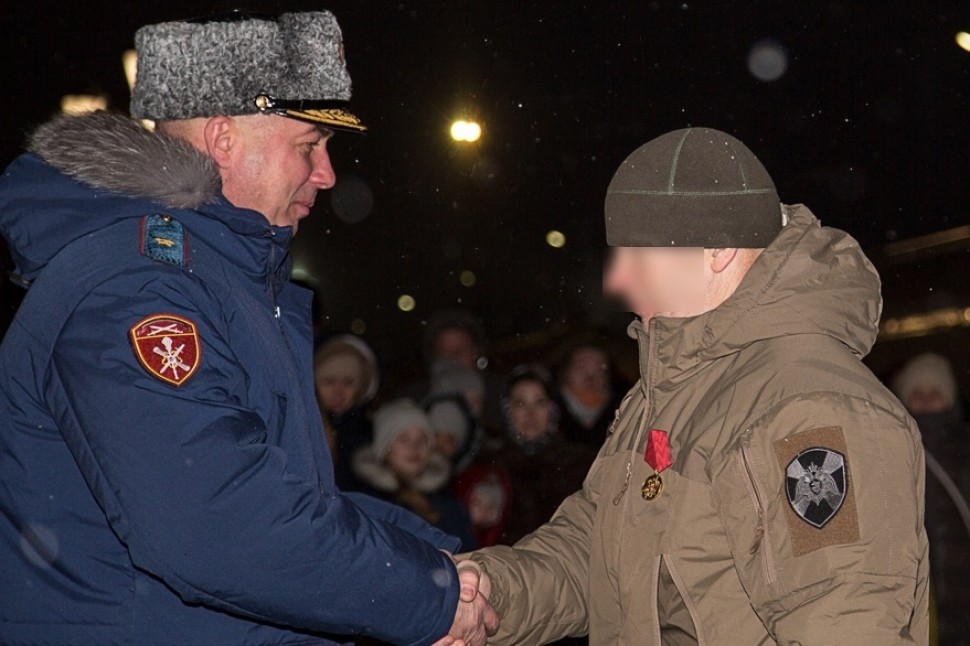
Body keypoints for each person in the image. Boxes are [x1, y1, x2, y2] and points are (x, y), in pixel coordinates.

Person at [0, 11, 496, 645]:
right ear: (224, 139)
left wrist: (451, 564)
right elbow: (219, 526)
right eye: (308, 145)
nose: (328, 174)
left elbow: (290, 496)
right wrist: (430, 597)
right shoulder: (138, 287)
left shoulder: (213, 279)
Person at [460, 128, 929, 644]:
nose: (615, 283)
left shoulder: (804, 406)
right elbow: (595, 550)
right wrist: (489, 591)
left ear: (718, 249)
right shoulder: (670, 393)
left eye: (636, 255)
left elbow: (845, 627)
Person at [893, 353, 970, 645]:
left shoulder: (965, 449)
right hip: (917, 588)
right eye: (917, 393)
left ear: (948, 397)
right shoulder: (891, 452)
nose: (925, 400)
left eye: (934, 392)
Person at [353, 399, 477, 551]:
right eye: (403, 439)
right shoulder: (365, 501)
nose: (415, 447)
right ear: (384, 448)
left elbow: (467, 553)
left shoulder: (447, 502)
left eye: (422, 439)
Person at [314, 334, 380, 489]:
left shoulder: (372, 436)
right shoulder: (301, 428)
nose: (339, 392)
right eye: (329, 381)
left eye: (348, 382)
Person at [554, 342, 623, 449]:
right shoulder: (549, 410)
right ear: (565, 371)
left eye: (599, 370)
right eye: (581, 369)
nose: (590, 378)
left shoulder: (624, 411)